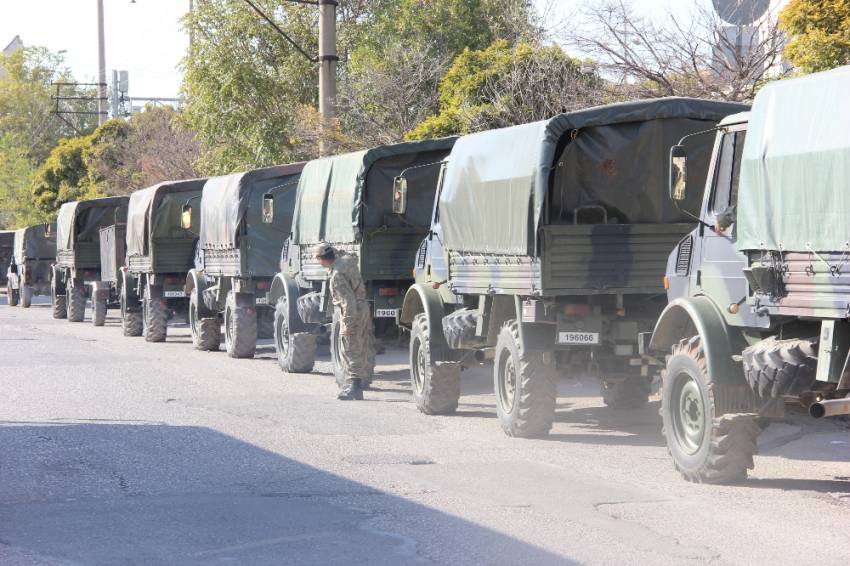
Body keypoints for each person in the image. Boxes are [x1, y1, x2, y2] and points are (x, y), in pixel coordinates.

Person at [314, 243, 374, 400]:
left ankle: (354, 387)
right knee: (363, 346)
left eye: (318, 259)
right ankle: (358, 383)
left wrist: (347, 323)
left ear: (323, 259)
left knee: (351, 347)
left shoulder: (336, 275)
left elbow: (348, 302)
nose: (318, 263)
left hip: (353, 311)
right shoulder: (347, 261)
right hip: (364, 307)